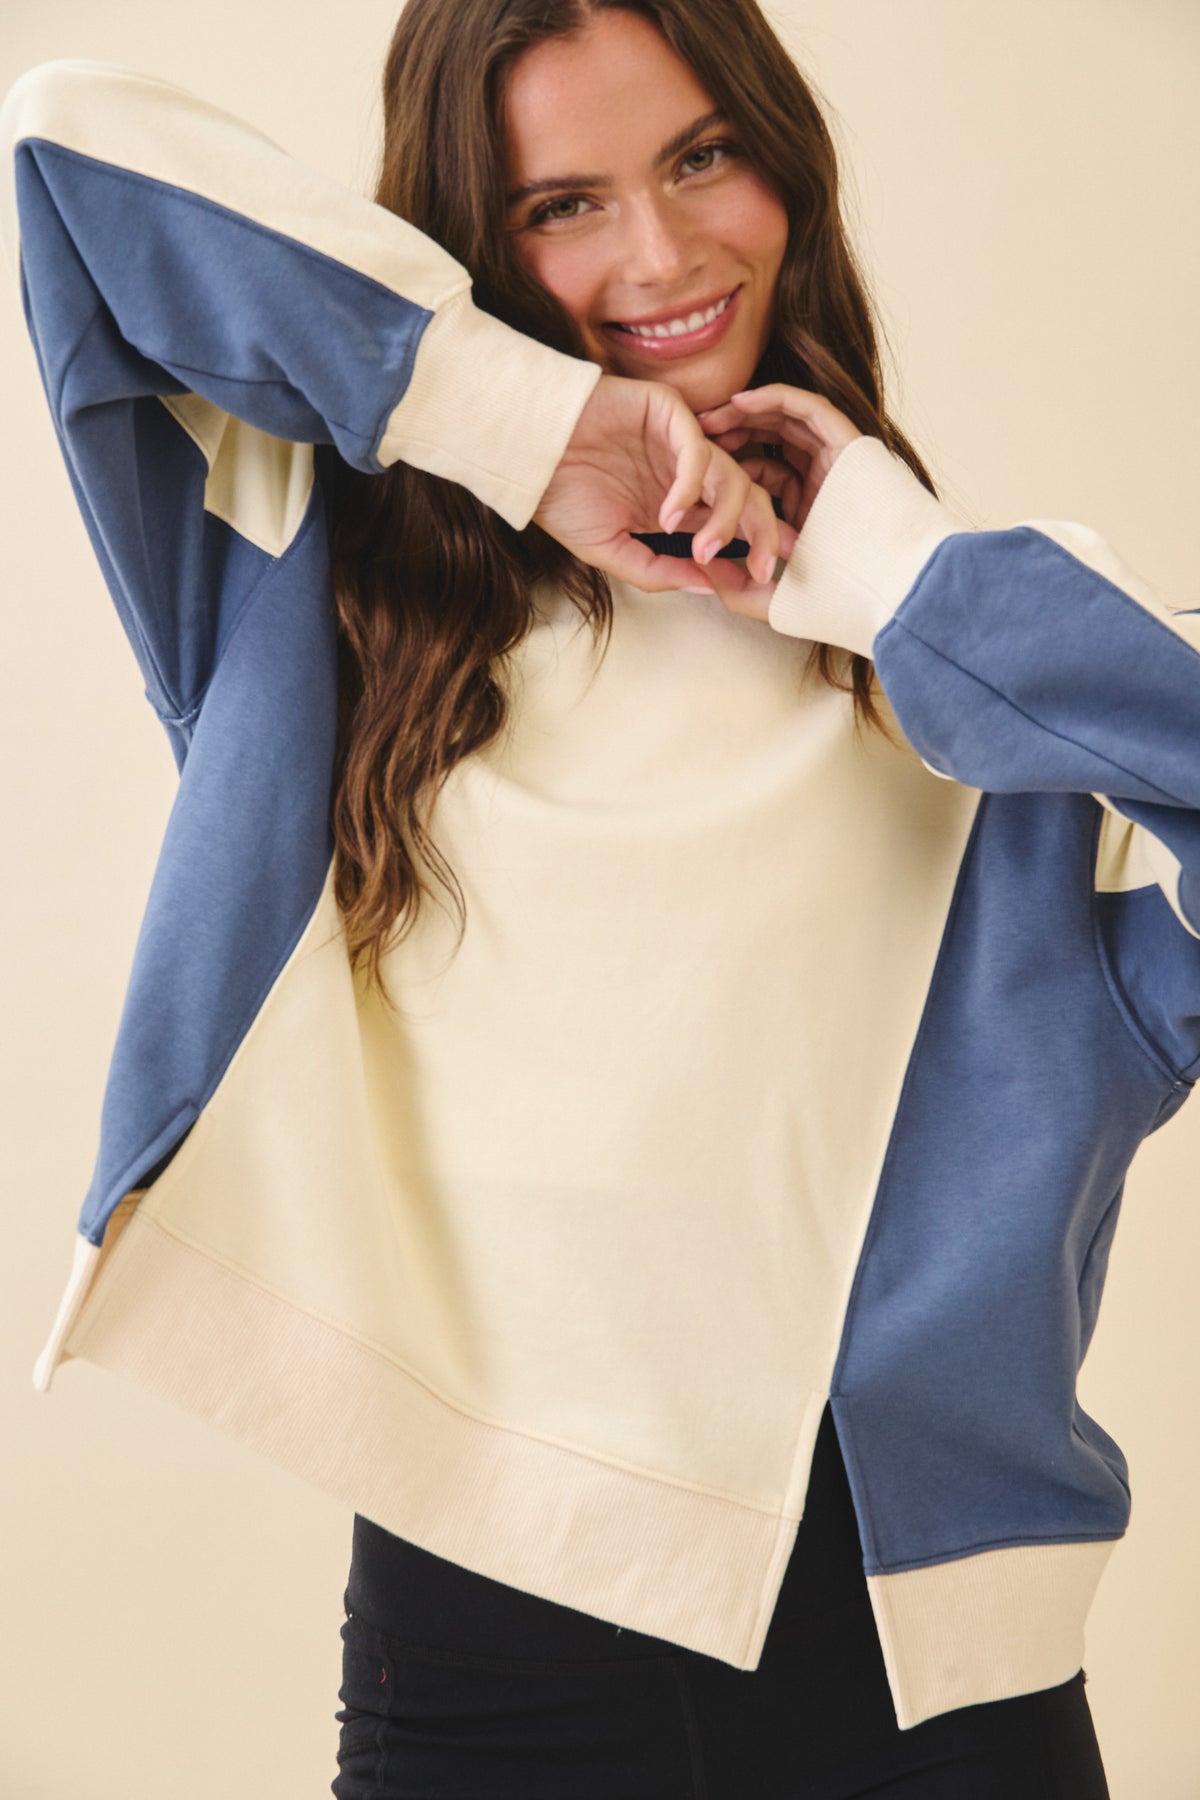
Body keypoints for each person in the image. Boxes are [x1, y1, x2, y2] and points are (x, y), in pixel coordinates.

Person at [6, 1, 1197, 1793]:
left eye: (703, 155)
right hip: (482, 1654)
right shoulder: (326, 613)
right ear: (478, 238)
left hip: (932, 1680)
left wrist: (892, 576)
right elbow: (66, 152)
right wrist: (535, 426)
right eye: (561, 203)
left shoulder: (998, 662)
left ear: (787, 162)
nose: (661, 253)